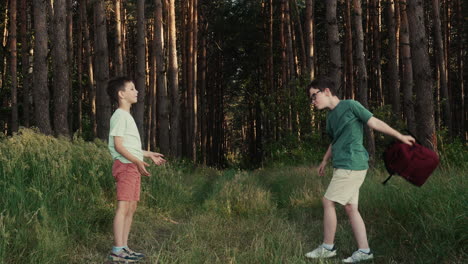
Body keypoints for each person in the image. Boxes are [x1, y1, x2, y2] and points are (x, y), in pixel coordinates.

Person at [304, 77, 415, 263]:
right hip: (342, 164)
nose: (313, 101)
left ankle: (327, 247)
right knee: (350, 208)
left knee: (328, 201)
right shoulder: (330, 118)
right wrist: (324, 160)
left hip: (352, 163)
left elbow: (374, 122)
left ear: (327, 91)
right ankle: (364, 251)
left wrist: (399, 136)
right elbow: (335, 141)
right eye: (311, 98)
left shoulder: (350, 106)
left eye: (314, 96)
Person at [107, 77, 166, 262]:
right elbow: (118, 146)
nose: (137, 91)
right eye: (132, 89)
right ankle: (117, 251)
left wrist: (147, 155)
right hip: (125, 167)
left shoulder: (126, 116)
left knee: (131, 207)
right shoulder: (119, 115)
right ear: (121, 94)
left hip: (132, 165)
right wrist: (137, 161)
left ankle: (124, 247)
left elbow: (130, 147)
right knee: (123, 207)